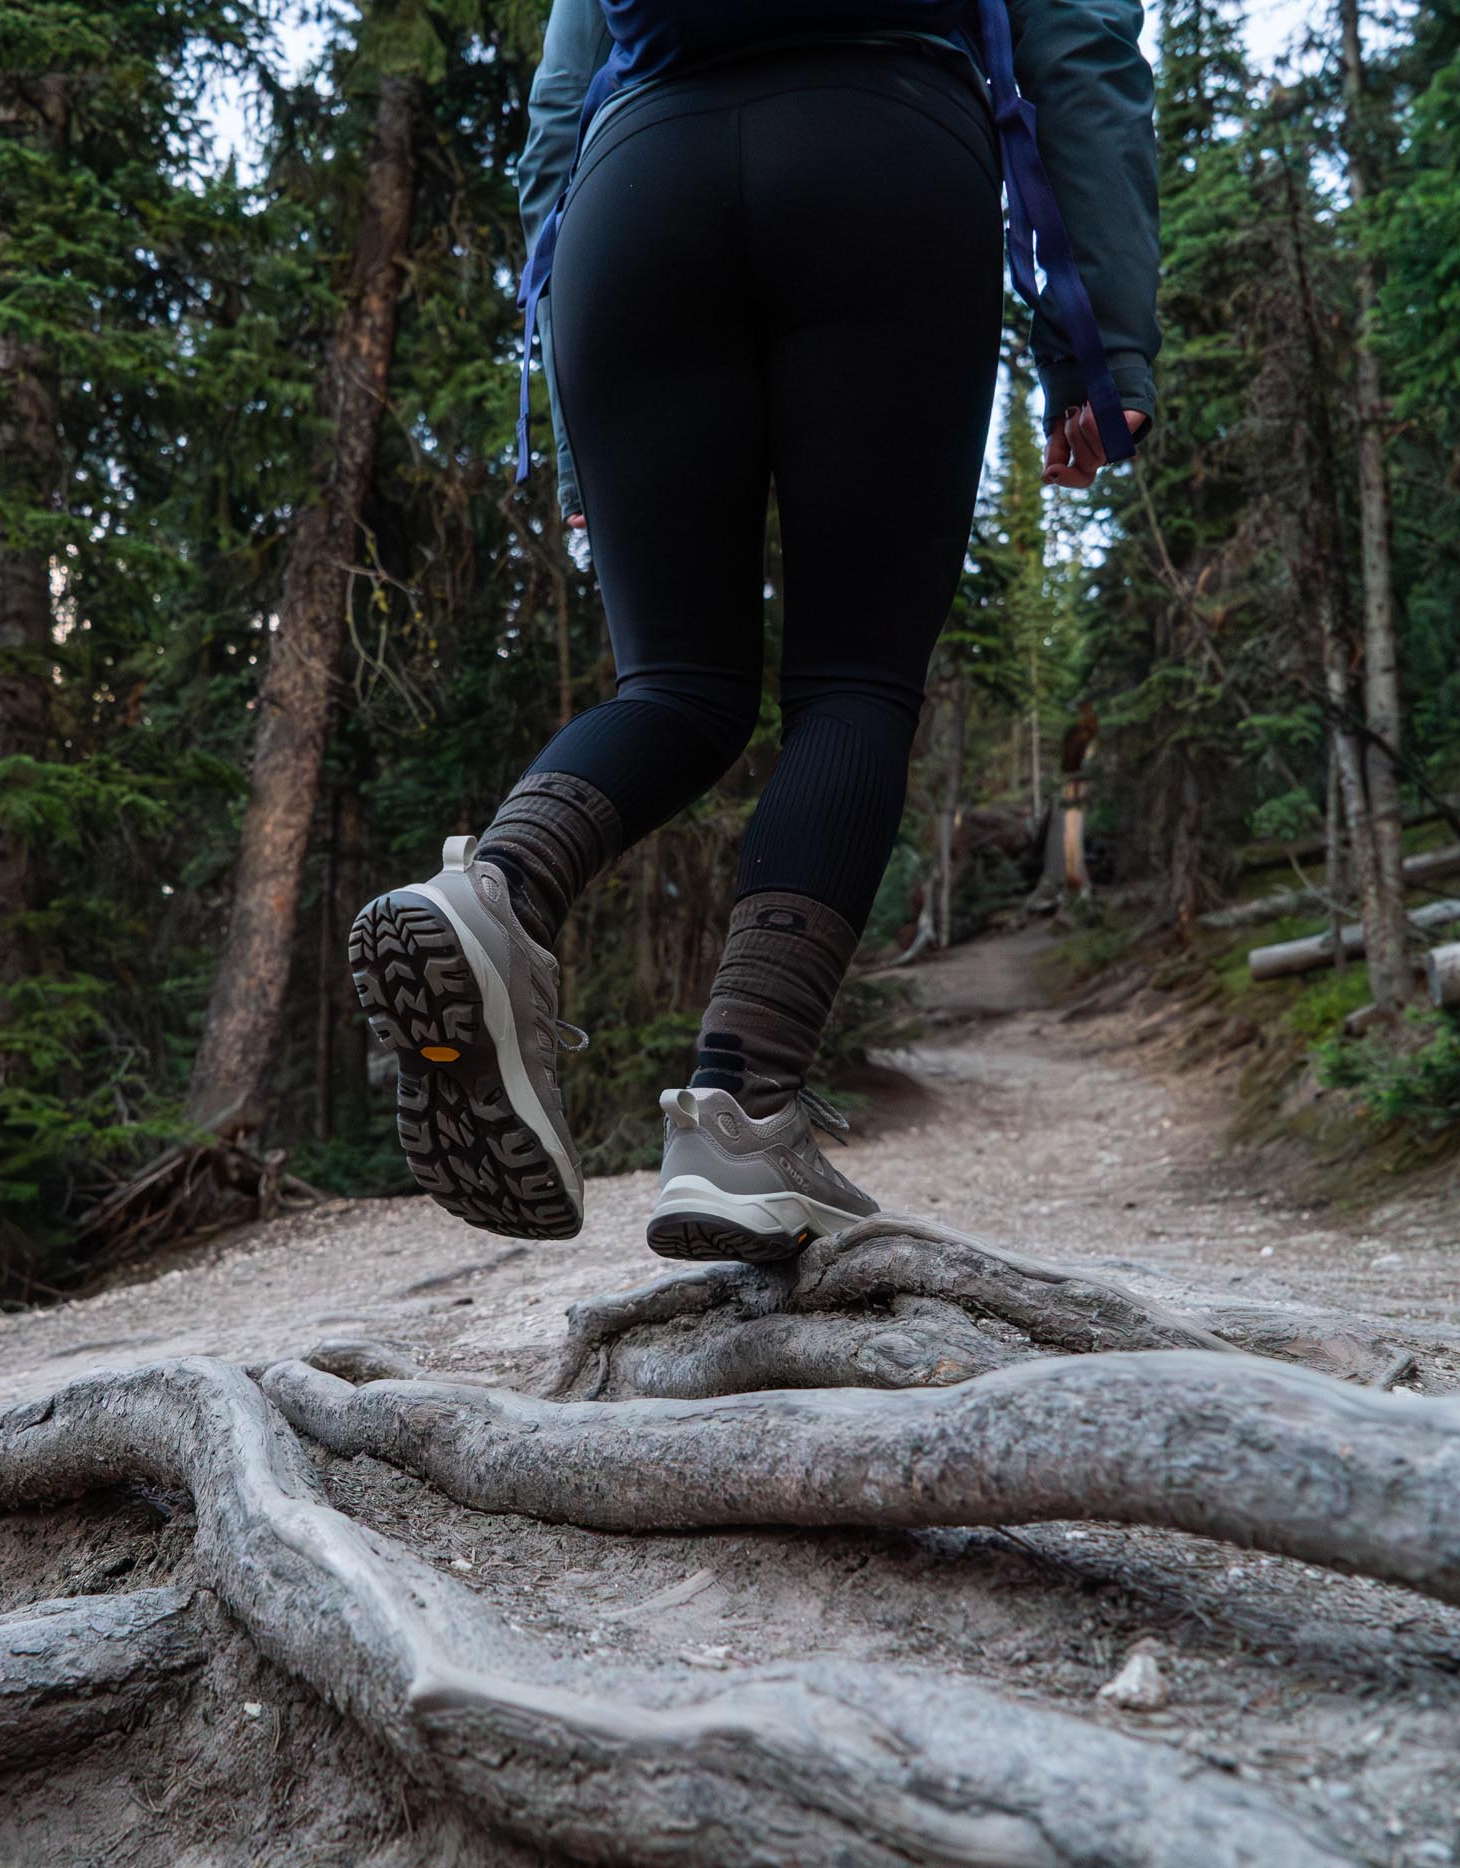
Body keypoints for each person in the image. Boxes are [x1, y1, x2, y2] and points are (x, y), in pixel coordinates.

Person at [348, 0, 1159, 1258]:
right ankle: (742, 1113)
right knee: (851, 683)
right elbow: (1082, 51)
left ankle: (497, 893)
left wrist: (575, 403)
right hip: (883, 155)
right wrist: (1102, 344)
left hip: (635, 188)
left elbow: (556, 113)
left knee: (674, 682)